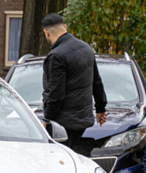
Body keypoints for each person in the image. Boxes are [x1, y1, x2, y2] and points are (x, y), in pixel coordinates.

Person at [40, 13, 107, 157]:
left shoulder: (56, 56)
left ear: (46, 33)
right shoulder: (86, 48)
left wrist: (48, 120)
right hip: (83, 119)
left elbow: (56, 94)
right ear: (65, 27)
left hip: (63, 123)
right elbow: (96, 80)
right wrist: (101, 108)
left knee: (60, 161)